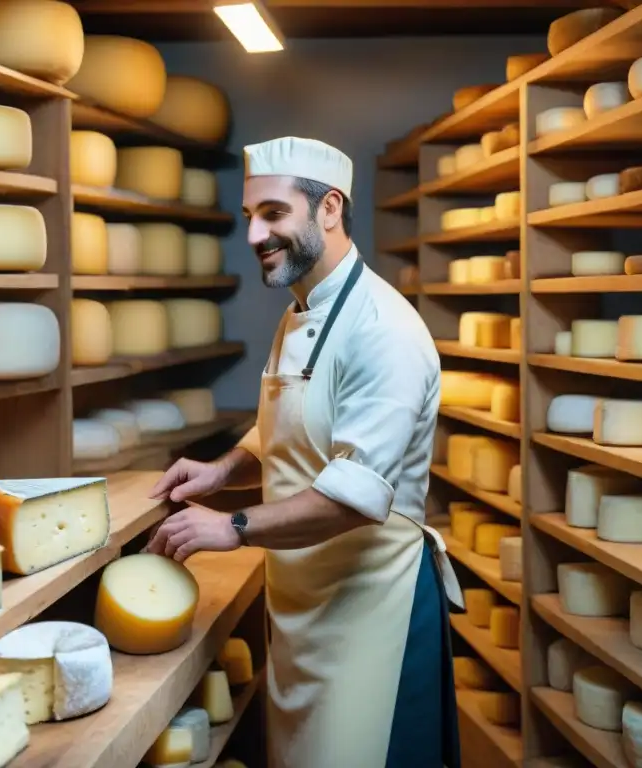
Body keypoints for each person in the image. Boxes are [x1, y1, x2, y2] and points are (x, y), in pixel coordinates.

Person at [146, 136, 464, 768]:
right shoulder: (298, 312)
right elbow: (283, 427)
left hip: (371, 609)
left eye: (273, 214)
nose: (254, 235)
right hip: (302, 605)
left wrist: (232, 525)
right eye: (249, 218)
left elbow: (354, 496)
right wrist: (222, 471)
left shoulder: (385, 331)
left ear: (329, 209)